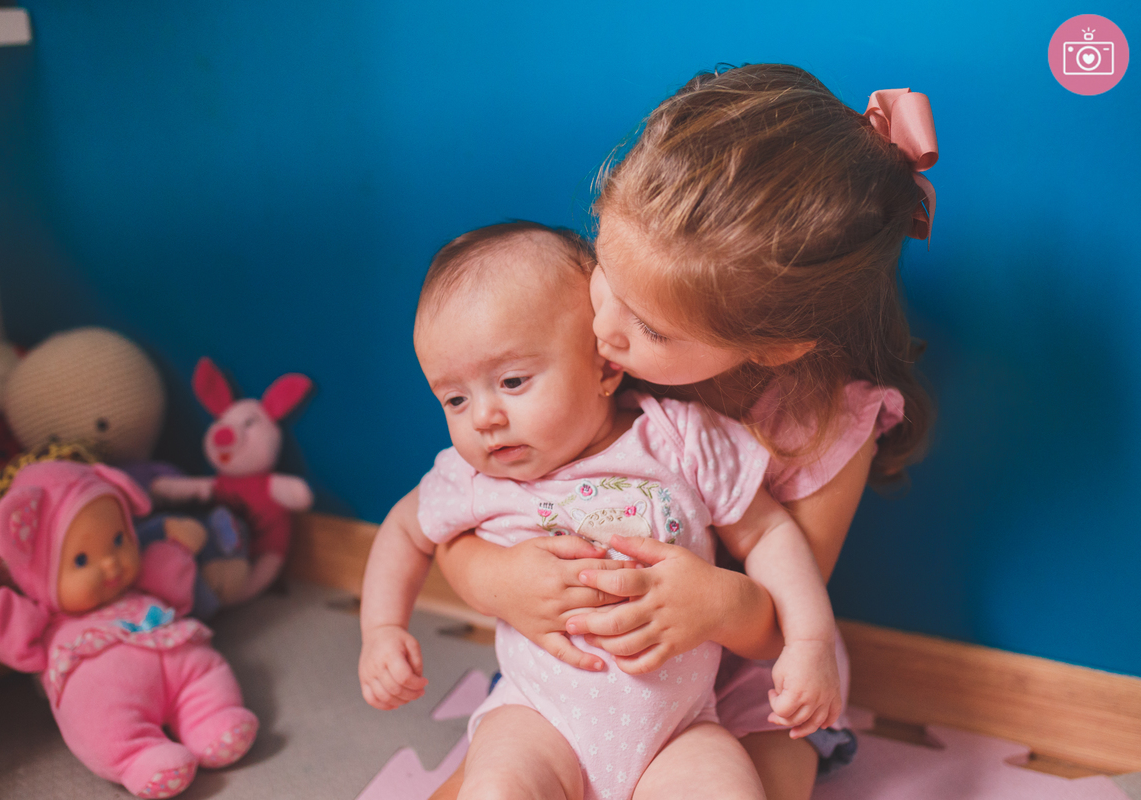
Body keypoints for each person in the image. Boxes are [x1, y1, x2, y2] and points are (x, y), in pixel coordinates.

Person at [430, 63, 936, 800]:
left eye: (650, 329)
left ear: (775, 345)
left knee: (754, 781)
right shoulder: (598, 309)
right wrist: (498, 580)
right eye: (604, 270)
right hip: (591, 678)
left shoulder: (827, 424)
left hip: (746, 681)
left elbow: (786, 621)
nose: (603, 330)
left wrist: (715, 605)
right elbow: (451, 519)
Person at [359, 222, 843, 800]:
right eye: (455, 399)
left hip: (680, 729)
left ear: (604, 368)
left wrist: (811, 642)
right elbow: (405, 530)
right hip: (538, 719)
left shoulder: (676, 439)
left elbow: (766, 533)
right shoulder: (471, 477)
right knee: (496, 788)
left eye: (512, 381)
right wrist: (382, 629)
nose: (483, 417)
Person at [0, 461, 258, 799]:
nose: (110, 563)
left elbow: (172, 594)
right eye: (81, 560)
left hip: (173, 647)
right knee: (100, 719)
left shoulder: (137, 585)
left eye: (119, 540)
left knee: (204, 671)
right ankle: (137, 757)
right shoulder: (45, 619)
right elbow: (17, 639)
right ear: (38, 570)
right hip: (103, 687)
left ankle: (210, 717)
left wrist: (178, 548)